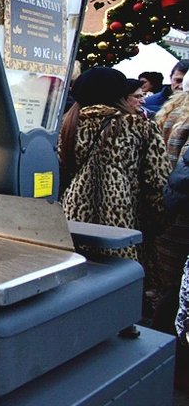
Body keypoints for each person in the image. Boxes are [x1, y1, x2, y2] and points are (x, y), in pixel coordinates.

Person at [58, 67, 167, 273]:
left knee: (77, 285)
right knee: (121, 284)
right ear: (120, 93)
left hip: (72, 222)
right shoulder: (141, 127)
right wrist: (156, 224)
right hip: (125, 225)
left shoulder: (66, 127)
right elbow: (157, 183)